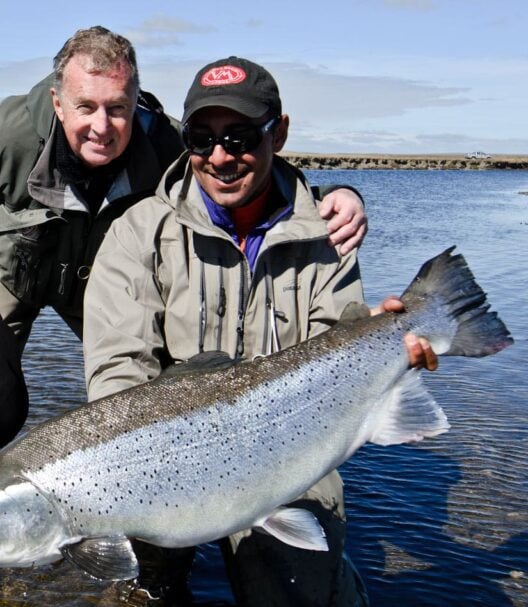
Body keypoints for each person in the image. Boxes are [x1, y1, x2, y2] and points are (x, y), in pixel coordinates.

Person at [0, 27, 369, 510]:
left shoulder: (169, 140)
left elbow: (239, 170)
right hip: (12, 273)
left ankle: (163, 530)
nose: (103, 126)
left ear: (136, 101)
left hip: (105, 277)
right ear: (58, 101)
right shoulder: (2, 138)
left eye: (118, 108)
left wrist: (330, 199)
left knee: (161, 391)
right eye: (86, 106)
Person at [83, 57, 436, 605]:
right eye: (201, 139)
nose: (220, 157)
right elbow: (116, 372)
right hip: (161, 455)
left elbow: (335, 345)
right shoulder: (137, 234)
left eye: (240, 137)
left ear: (281, 132)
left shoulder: (328, 233)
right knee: (131, 593)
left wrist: (380, 345)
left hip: (288, 449)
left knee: (300, 590)